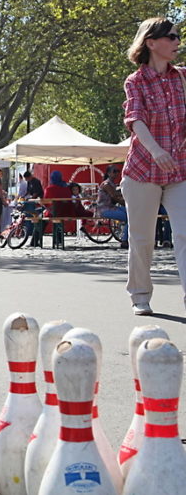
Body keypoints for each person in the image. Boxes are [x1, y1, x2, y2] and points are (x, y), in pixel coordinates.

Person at [122, 17, 186, 316]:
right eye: (172, 37)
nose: (177, 42)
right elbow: (136, 120)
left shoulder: (182, 78)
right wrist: (156, 150)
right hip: (142, 172)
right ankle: (140, 295)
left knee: (185, 233)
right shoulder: (136, 82)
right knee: (143, 238)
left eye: (178, 37)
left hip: (180, 171)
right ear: (151, 42)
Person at [96, 165, 128, 248]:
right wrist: (127, 204)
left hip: (112, 207)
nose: (117, 173)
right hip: (104, 210)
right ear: (108, 173)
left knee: (130, 213)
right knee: (130, 217)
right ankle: (125, 240)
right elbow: (114, 196)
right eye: (114, 171)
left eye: (118, 171)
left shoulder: (112, 184)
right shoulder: (106, 184)